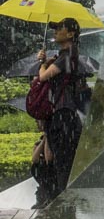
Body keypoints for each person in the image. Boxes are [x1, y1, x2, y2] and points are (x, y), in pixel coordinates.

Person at [33, 17, 90, 208]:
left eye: (60, 29)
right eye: (55, 29)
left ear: (71, 34)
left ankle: (64, 205)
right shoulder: (64, 56)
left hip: (63, 114)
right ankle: (59, 201)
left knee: (62, 162)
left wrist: (42, 64)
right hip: (60, 114)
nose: (56, 32)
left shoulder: (68, 55)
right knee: (56, 158)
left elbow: (43, 77)